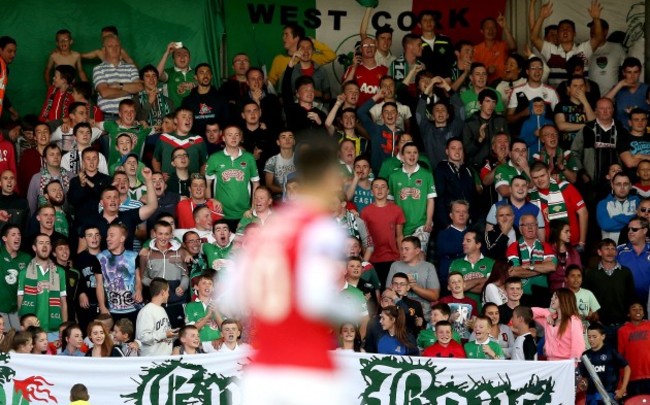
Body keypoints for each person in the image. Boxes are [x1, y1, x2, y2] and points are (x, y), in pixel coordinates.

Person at [218, 138, 350, 405]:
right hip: (309, 369)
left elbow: (230, 295)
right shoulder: (321, 229)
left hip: (264, 371)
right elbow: (317, 299)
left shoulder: (269, 231)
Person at [529, 0, 604, 86]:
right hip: (556, 97)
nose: (565, 31)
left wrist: (596, 19)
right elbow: (533, 38)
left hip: (580, 96)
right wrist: (541, 17)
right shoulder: (550, 50)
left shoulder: (583, 49)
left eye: (568, 29)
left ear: (574, 33)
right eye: (561, 29)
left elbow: (599, 38)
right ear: (557, 34)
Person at [205, 125, 259, 229]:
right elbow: (207, 185)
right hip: (221, 214)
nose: (233, 138)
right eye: (230, 135)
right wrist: (211, 200)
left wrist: (253, 208)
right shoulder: (214, 158)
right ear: (224, 138)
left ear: (241, 138)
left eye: (236, 135)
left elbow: (256, 183)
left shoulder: (249, 158)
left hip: (245, 213)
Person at [140, 220, 189, 328]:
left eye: (166, 234)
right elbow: (143, 277)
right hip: (157, 303)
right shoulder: (147, 254)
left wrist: (182, 286)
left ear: (171, 235)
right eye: (160, 233)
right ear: (154, 234)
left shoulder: (179, 252)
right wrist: (154, 284)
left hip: (178, 302)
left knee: (179, 333)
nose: (163, 237)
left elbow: (185, 275)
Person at [17, 234, 67, 340]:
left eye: (47, 243)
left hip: (54, 330)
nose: (44, 246)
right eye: (41, 243)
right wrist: (24, 325)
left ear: (50, 248)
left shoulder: (60, 272)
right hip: (32, 330)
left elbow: (63, 301)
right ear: (34, 247)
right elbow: (20, 301)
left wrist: (64, 328)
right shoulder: (24, 272)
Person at [529, 161, 588, 248]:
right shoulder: (531, 196)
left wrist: (582, 242)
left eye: (542, 175)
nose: (540, 180)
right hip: (548, 248)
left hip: (573, 245)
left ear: (549, 172)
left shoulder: (566, 187)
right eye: (535, 177)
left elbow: (583, 213)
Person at [95, 223, 143, 326]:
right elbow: (99, 284)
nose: (108, 238)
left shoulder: (133, 256)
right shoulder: (100, 258)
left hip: (133, 309)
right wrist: (103, 307)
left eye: (112, 235)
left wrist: (138, 290)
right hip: (112, 311)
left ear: (122, 238)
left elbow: (138, 279)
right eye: (107, 235)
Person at [387, 143, 436, 244]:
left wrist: (428, 221)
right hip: (400, 225)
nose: (412, 155)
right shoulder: (394, 176)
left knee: (418, 253)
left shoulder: (427, 175)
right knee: (404, 255)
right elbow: (390, 202)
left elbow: (430, 200)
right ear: (402, 156)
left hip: (420, 224)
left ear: (418, 155)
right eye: (408, 153)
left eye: (415, 153)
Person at [361, 178, 405, 287]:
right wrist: (364, 259)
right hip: (373, 258)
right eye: (376, 187)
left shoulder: (397, 210)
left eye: (383, 186)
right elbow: (364, 239)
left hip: (393, 257)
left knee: (392, 290)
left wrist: (402, 255)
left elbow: (399, 236)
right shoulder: (365, 212)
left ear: (388, 190)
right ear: (371, 191)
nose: (379, 190)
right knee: (376, 290)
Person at [506, 214, 557, 307]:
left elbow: (552, 267)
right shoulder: (513, 246)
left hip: (543, 295)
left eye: (533, 224)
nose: (530, 227)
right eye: (526, 225)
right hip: (521, 296)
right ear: (521, 229)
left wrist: (530, 266)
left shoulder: (545, 246)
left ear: (537, 227)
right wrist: (542, 268)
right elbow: (514, 272)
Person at [385, 237, 439, 322]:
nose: (403, 252)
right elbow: (387, 293)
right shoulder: (395, 266)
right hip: (399, 314)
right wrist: (403, 284)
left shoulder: (428, 267)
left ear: (417, 251)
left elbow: (434, 296)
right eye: (402, 249)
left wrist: (414, 287)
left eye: (407, 249)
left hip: (423, 315)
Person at [267, 23, 335, 90]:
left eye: (286, 35)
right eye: (283, 35)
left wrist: (313, 42)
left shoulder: (310, 57)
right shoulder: (279, 59)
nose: (283, 38)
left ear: (296, 38)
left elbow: (332, 56)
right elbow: (271, 82)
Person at [571, 97, 622, 185]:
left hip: (617, 183)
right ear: (596, 110)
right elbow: (574, 153)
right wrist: (582, 173)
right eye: (602, 108)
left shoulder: (621, 130)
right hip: (591, 183)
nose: (605, 111)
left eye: (608, 108)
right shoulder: (587, 130)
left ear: (613, 110)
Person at [92, 35, 142, 118]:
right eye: (110, 46)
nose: (114, 48)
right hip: (108, 117)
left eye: (117, 46)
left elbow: (139, 87)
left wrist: (119, 85)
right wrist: (130, 90)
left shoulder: (131, 67)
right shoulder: (98, 69)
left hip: (130, 117)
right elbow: (105, 93)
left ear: (121, 49)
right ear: (104, 50)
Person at [580, 322, 630, 404]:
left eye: (594, 337)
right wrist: (583, 383)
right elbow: (584, 377)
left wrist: (623, 388)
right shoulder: (585, 355)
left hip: (608, 395)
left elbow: (627, 367)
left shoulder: (611, 351)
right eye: (589, 337)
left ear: (603, 336)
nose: (591, 339)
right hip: (591, 397)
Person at [434, 138, 479, 227]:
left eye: (460, 148)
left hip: (468, 221)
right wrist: (446, 223)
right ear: (447, 151)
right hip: (449, 221)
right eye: (453, 148)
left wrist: (473, 219)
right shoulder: (441, 169)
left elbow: (474, 197)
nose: (457, 151)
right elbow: (439, 198)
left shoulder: (468, 170)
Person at [532, 288, 585, 361]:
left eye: (556, 297)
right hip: (550, 363)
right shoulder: (550, 318)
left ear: (564, 300)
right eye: (552, 297)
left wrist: (573, 364)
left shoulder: (573, 320)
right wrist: (546, 313)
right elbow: (530, 313)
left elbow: (578, 345)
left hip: (565, 365)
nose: (552, 299)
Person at [462, 88, 509, 168]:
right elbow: (466, 151)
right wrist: (479, 140)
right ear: (480, 103)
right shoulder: (469, 123)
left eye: (493, 102)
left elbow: (508, 143)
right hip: (477, 167)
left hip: (498, 165)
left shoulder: (501, 121)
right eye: (487, 101)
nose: (491, 105)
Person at [448, 230, 494, 310]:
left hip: (485, 311)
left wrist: (463, 285)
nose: (463, 243)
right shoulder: (456, 264)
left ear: (478, 245)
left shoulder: (491, 263)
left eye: (468, 241)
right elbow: (452, 287)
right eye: (463, 240)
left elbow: (491, 289)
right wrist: (481, 280)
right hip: (461, 310)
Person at [181, 63, 229, 136]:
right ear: (196, 77)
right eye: (201, 72)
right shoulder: (188, 101)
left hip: (217, 142)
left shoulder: (221, 98)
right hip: (195, 142)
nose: (205, 75)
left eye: (208, 72)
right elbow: (184, 124)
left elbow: (227, 122)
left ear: (211, 76)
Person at [135, 277, 177, 356]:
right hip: (151, 361)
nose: (168, 294)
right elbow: (143, 338)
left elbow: (164, 335)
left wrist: (176, 334)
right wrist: (165, 335)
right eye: (167, 291)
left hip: (164, 360)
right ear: (162, 292)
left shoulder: (162, 310)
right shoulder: (146, 311)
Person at [605, 57, 649, 130]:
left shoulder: (647, 89)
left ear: (640, 72)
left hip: (642, 133)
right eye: (629, 72)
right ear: (623, 72)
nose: (632, 76)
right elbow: (603, 103)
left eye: (635, 72)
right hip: (621, 132)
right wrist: (620, 84)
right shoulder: (618, 88)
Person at [341, 36, 387, 107]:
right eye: (365, 45)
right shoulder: (352, 68)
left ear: (375, 48)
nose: (369, 48)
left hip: (378, 112)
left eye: (372, 45)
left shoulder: (384, 69)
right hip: (357, 110)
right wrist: (354, 68)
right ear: (361, 49)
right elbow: (344, 88)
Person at [0, 225, 30, 330]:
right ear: (4, 238)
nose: (17, 237)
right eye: (13, 235)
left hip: (17, 311)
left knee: (17, 341)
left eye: (19, 234)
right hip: (1, 310)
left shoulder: (26, 258)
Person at [553, 75, 597, 148]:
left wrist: (585, 101)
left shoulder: (592, 104)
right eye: (575, 86)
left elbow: (593, 122)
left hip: (587, 147)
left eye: (581, 86)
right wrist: (585, 126)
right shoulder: (561, 105)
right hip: (567, 147)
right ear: (569, 89)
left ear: (585, 88)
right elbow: (561, 126)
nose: (579, 89)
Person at [435, 200, 469, 291]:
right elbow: (446, 249)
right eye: (457, 212)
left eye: (464, 212)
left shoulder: (474, 233)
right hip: (447, 276)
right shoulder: (443, 234)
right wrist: (469, 247)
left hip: (470, 275)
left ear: (468, 215)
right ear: (451, 215)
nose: (461, 214)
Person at [617, 302, 650, 397]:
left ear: (644, 313)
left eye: (640, 309)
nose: (638, 311)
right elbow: (621, 356)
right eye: (634, 309)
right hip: (632, 377)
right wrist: (621, 381)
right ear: (628, 314)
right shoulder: (622, 330)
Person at [596, 172, 640, 242]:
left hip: (633, 249)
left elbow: (642, 223)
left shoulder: (638, 201)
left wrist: (618, 217)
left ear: (630, 185)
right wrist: (632, 220)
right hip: (610, 249)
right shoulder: (603, 204)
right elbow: (606, 225)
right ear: (612, 185)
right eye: (618, 184)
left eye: (625, 184)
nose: (622, 187)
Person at [617, 216, 650, 305]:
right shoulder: (618, 251)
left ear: (644, 231)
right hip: (624, 302)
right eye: (629, 229)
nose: (630, 232)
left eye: (634, 229)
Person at [185, 273, 222, 353]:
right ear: (197, 287)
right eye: (204, 283)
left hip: (217, 346)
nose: (207, 286)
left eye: (210, 284)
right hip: (199, 346)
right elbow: (189, 331)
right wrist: (207, 317)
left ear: (213, 288)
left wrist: (216, 312)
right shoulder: (190, 306)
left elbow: (225, 328)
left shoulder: (219, 305)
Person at [439, 272, 479, 340]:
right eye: (453, 282)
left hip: (467, 340)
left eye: (459, 281)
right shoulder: (444, 301)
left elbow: (476, 324)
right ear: (449, 287)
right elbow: (438, 322)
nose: (456, 284)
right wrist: (450, 319)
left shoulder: (472, 303)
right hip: (448, 339)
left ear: (464, 284)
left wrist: (472, 325)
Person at [156, 43, 195, 109]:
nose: (182, 57)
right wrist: (167, 53)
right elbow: (157, 75)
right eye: (178, 55)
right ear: (173, 59)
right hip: (173, 115)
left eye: (185, 55)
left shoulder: (197, 72)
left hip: (193, 114)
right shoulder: (168, 73)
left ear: (189, 58)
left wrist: (194, 84)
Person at [417, 10, 454, 78]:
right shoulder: (417, 43)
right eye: (425, 20)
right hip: (425, 82)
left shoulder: (445, 41)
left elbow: (453, 62)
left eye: (431, 20)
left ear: (435, 22)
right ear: (419, 25)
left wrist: (450, 78)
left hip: (446, 82)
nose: (428, 22)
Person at [548, 221, 582, 292]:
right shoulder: (548, 251)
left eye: (569, 231)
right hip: (553, 292)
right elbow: (550, 274)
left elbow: (578, 272)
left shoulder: (573, 252)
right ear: (557, 232)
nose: (569, 234)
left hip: (571, 292)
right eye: (566, 232)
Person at [0, 36, 17, 118]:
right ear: (0, 50)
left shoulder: (5, 69)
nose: (13, 55)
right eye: (9, 51)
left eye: (14, 52)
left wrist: (11, 110)